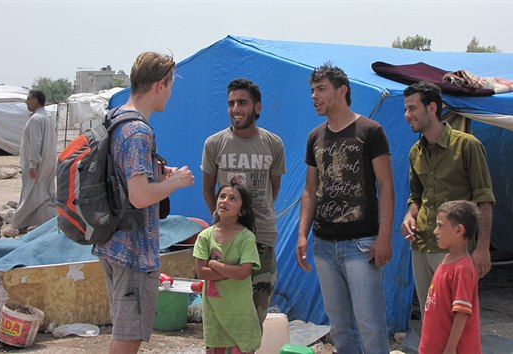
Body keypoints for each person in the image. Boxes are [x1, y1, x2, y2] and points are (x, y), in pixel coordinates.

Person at [92, 51, 195, 354]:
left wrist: (159, 176)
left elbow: (124, 180)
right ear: (160, 84)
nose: (171, 93)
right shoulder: (138, 131)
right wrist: (175, 183)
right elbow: (138, 196)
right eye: (171, 85)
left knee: (126, 331)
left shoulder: (116, 119)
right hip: (133, 250)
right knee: (129, 337)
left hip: (113, 242)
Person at [295, 63, 394, 354]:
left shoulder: (370, 130)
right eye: (312, 90)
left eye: (321, 89)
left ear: (342, 91)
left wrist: (384, 237)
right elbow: (309, 190)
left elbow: (386, 186)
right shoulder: (315, 137)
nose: (314, 96)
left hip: (362, 244)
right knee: (339, 327)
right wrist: (302, 234)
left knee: (370, 325)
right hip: (323, 244)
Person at [400, 81, 495, 318]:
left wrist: (482, 248)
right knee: (431, 320)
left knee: (458, 323)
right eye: (406, 109)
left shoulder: (467, 146)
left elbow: (484, 200)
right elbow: (416, 198)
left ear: (432, 108)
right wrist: (409, 216)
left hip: (455, 252)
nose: (407, 115)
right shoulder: (415, 152)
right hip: (420, 246)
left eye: (412, 108)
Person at [201, 78, 286, 326]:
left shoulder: (273, 144)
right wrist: (222, 226)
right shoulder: (214, 144)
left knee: (254, 319)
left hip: (262, 240)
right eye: (231, 103)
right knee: (223, 318)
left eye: (242, 102)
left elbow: (273, 189)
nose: (235, 109)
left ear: (257, 107)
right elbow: (208, 190)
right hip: (227, 244)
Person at [194, 181, 262, 354]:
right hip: (214, 311)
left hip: (240, 311)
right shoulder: (205, 237)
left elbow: (243, 272)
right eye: (222, 196)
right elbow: (202, 272)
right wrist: (230, 271)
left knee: (242, 348)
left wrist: (214, 264)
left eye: (233, 198)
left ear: (242, 210)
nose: (225, 201)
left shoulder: (246, 238)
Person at [419, 200, 482, 354]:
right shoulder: (447, 260)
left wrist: (450, 347)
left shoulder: (462, 269)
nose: (435, 231)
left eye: (440, 226)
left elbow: (462, 313)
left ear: (459, 230)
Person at [12, 89, 57, 232]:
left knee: (32, 195)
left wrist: (33, 164)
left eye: (28, 98)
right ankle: (48, 225)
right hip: (48, 162)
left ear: (36, 100)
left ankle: (20, 223)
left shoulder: (36, 119)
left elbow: (35, 143)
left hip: (38, 165)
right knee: (44, 194)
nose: (26, 101)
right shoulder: (48, 116)